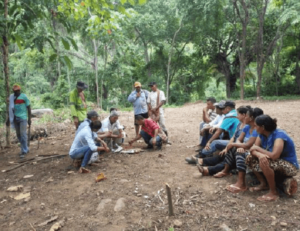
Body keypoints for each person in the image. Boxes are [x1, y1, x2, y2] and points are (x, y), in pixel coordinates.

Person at [246, 115, 299, 201]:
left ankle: (273, 192)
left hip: (289, 165)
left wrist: (258, 150)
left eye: (256, 125)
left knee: (265, 161)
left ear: (262, 127)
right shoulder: (261, 134)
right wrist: (260, 155)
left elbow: (275, 156)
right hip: (275, 161)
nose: (255, 127)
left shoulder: (279, 135)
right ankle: (263, 184)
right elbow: (252, 150)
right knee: (250, 157)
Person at [210, 108, 263, 186]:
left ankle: (241, 183)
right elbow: (239, 139)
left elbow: (248, 145)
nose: (245, 117)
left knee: (239, 151)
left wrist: (236, 145)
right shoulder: (247, 127)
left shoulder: (256, 130)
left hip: (254, 151)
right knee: (234, 148)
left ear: (251, 118)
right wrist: (238, 145)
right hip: (246, 148)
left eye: (247, 116)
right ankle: (225, 170)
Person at [195, 106, 252, 176]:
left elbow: (248, 143)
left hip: (242, 148)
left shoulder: (249, 127)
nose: (236, 116)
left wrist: (234, 146)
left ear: (244, 115)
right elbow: (234, 138)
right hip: (237, 145)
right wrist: (227, 147)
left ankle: (208, 169)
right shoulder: (240, 124)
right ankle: (204, 161)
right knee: (223, 154)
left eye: (238, 114)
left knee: (228, 157)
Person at [7, 84, 31, 158]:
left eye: (17, 91)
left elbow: (29, 107)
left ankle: (24, 151)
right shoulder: (12, 98)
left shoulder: (24, 96)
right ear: (13, 91)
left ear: (19, 90)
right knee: (18, 135)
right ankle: (25, 148)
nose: (16, 92)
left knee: (23, 134)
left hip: (23, 118)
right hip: (15, 118)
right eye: (15, 91)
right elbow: (10, 109)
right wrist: (8, 119)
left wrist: (29, 119)